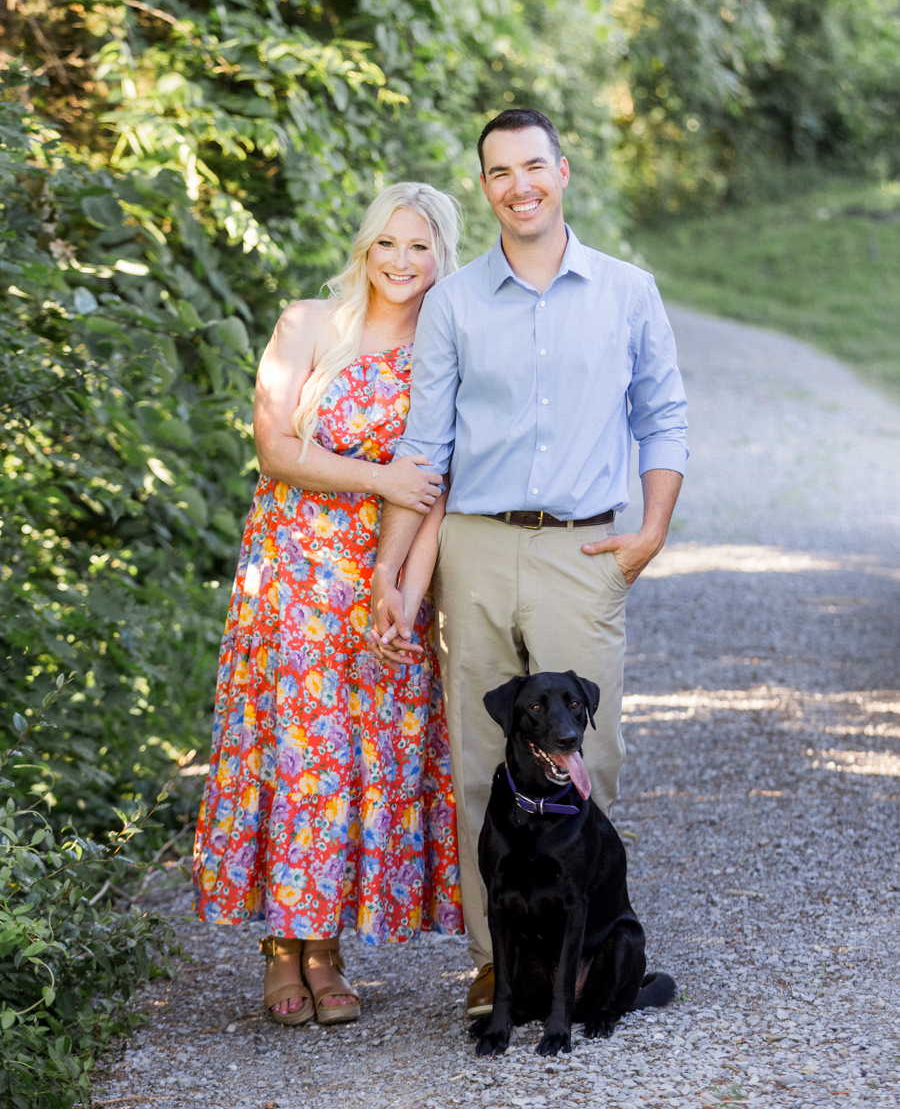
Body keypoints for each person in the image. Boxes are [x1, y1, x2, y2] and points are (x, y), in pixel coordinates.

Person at [370, 109, 688, 1017]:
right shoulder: (456, 302)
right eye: (500, 172)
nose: (520, 185)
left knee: (587, 754)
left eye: (534, 166)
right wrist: (398, 577)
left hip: (582, 547)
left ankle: (583, 946)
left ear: (563, 172)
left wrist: (651, 528)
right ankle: (494, 961)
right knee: (481, 759)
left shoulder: (628, 290)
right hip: (472, 542)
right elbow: (425, 449)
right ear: (485, 187)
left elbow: (663, 418)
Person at [193, 183, 464, 1028]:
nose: (402, 262)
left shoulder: (446, 346)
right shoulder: (308, 323)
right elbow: (274, 447)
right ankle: (284, 949)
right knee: (296, 755)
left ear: (443, 256)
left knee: (356, 760)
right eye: (389, 243)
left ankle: (329, 949)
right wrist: (378, 475)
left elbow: (438, 489)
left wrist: (408, 597)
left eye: (420, 248)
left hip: (383, 579)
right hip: (293, 573)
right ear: (365, 246)